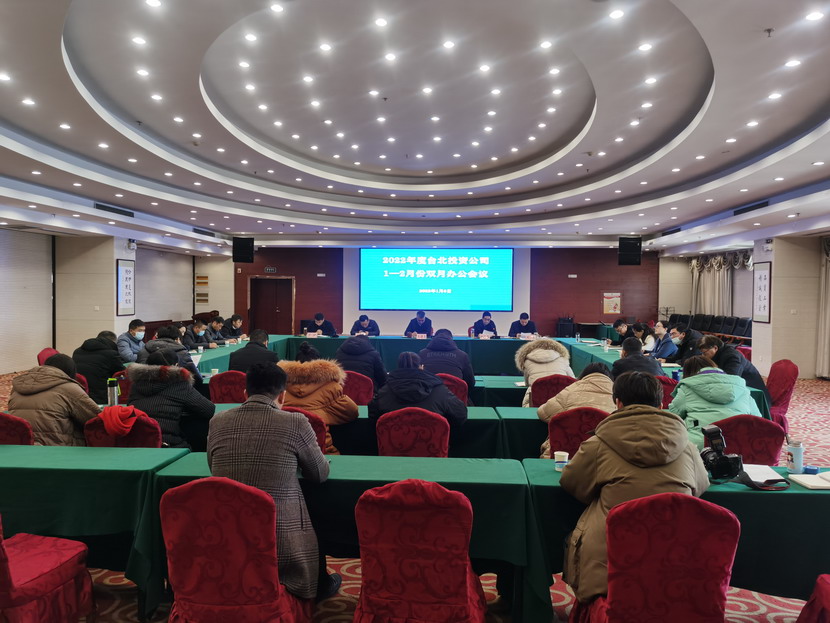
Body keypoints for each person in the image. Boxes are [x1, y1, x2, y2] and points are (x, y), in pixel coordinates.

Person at [561, 371, 709, 605]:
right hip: (675, 557)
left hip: (610, 561)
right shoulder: (688, 447)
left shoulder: (598, 444)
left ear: (617, 402)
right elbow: (699, 488)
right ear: (661, 405)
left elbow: (573, 484)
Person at [207, 363, 338, 602]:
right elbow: (319, 474)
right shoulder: (296, 422)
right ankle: (318, 584)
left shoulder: (218, 421)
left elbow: (212, 467)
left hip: (226, 533)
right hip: (281, 541)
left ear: (244, 393)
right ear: (282, 395)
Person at [667, 355, 762, 449]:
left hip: (699, 447)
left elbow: (672, 417)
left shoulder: (686, 389)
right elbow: (758, 420)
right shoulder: (743, 390)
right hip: (740, 445)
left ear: (687, 373)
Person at [127, 350, 215, 450]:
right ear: (176, 366)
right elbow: (209, 410)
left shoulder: (135, 385)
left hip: (136, 443)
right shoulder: (179, 384)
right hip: (168, 443)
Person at [278, 345, 359, 454]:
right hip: (322, 451)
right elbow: (352, 412)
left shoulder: (278, 386)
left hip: (282, 452)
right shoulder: (331, 386)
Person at [8, 353, 100, 446]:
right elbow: (97, 419)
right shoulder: (70, 388)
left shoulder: (17, 387)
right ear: (71, 372)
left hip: (19, 446)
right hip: (57, 448)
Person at [368, 352, 467, 431]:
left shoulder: (385, 391)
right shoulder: (439, 390)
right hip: (434, 447)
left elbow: (372, 416)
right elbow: (461, 413)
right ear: (421, 367)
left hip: (391, 447)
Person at [537, 363, 616, 458]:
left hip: (562, 456)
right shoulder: (618, 394)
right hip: (606, 457)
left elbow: (544, 412)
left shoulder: (571, 390)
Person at [698, 335, 771, 405]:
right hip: (738, 390)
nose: (703, 356)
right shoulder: (715, 355)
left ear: (715, 348)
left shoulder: (732, 356)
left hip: (754, 395)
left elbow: (732, 379)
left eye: (704, 353)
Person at [514, 338, 575, 407]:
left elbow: (527, 383)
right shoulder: (563, 359)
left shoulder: (527, 361)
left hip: (536, 399)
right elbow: (572, 380)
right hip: (561, 399)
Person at [72, 330, 125, 404]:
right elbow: (121, 372)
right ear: (113, 342)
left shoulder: (77, 351)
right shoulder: (111, 354)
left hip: (79, 394)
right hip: (101, 396)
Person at [137, 324, 202, 382]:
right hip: (174, 387)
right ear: (177, 339)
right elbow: (196, 378)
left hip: (145, 387)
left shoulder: (144, 350)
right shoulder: (182, 352)